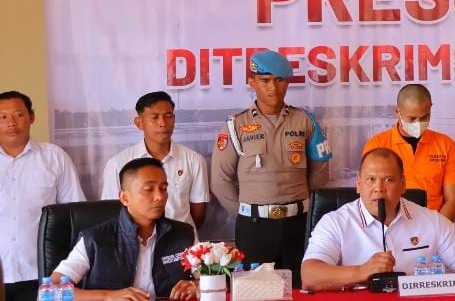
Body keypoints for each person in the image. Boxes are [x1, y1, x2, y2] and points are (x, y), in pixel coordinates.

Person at [209, 50, 332, 285]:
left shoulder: (305, 121)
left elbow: (320, 171)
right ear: (251, 82)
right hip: (254, 228)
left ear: (287, 82)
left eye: (279, 80)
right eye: (265, 81)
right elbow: (220, 180)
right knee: (255, 291)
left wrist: (299, 203)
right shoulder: (235, 125)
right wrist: (247, 213)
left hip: (299, 224)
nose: (273, 88)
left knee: (301, 287)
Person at [301, 148, 455, 289]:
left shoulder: (431, 220)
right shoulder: (335, 222)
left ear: (403, 185)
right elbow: (309, 275)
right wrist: (361, 271)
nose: (379, 188)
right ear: (358, 184)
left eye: (388, 180)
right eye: (370, 179)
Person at [53, 157, 198, 301]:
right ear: (124, 198)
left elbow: (207, 278)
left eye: (164, 189)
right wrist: (107, 296)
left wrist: (198, 286)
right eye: (148, 189)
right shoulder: (95, 239)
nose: (160, 197)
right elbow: (52, 291)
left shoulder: (185, 234)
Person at [0, 91, 85, 301]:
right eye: (3, 117)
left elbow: (76, 217)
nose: (11, 123)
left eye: (18, 115)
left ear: (32, 117)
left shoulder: (55, 157)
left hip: (44, 272)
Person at [101, 92, 209, 231]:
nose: (163, 123)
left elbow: (198, 212)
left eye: (168, 116)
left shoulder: (194, 160)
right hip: (135, 240)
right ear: (139, 123)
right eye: (155, 117)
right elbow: (112, 212)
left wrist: (180, 235)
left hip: (182, 240)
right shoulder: (117, 164)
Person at [363, 84, 455, 220]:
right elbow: (371, 196)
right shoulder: (377, 145)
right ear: (397, 112)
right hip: (390, 223)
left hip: (434, 223)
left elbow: (453, 200)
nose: (418, 123)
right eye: (412, 118)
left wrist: (436, 229)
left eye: (424, 117)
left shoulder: (446, 144)